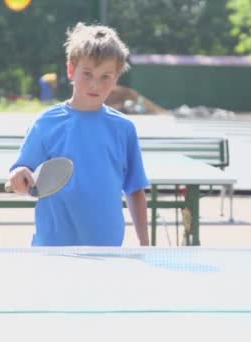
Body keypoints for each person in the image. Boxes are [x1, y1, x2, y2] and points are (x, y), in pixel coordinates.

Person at [8, 22, 150, 246]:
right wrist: (18, 176)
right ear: (71, 70)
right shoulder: (45, 123)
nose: (95, 84)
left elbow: (135, 189)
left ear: (116, 78)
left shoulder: (124, 129)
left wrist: (145, 244)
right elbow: (22, 174)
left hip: (107, 248)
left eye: (105, 76)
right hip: (53, 248)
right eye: (87, 74)